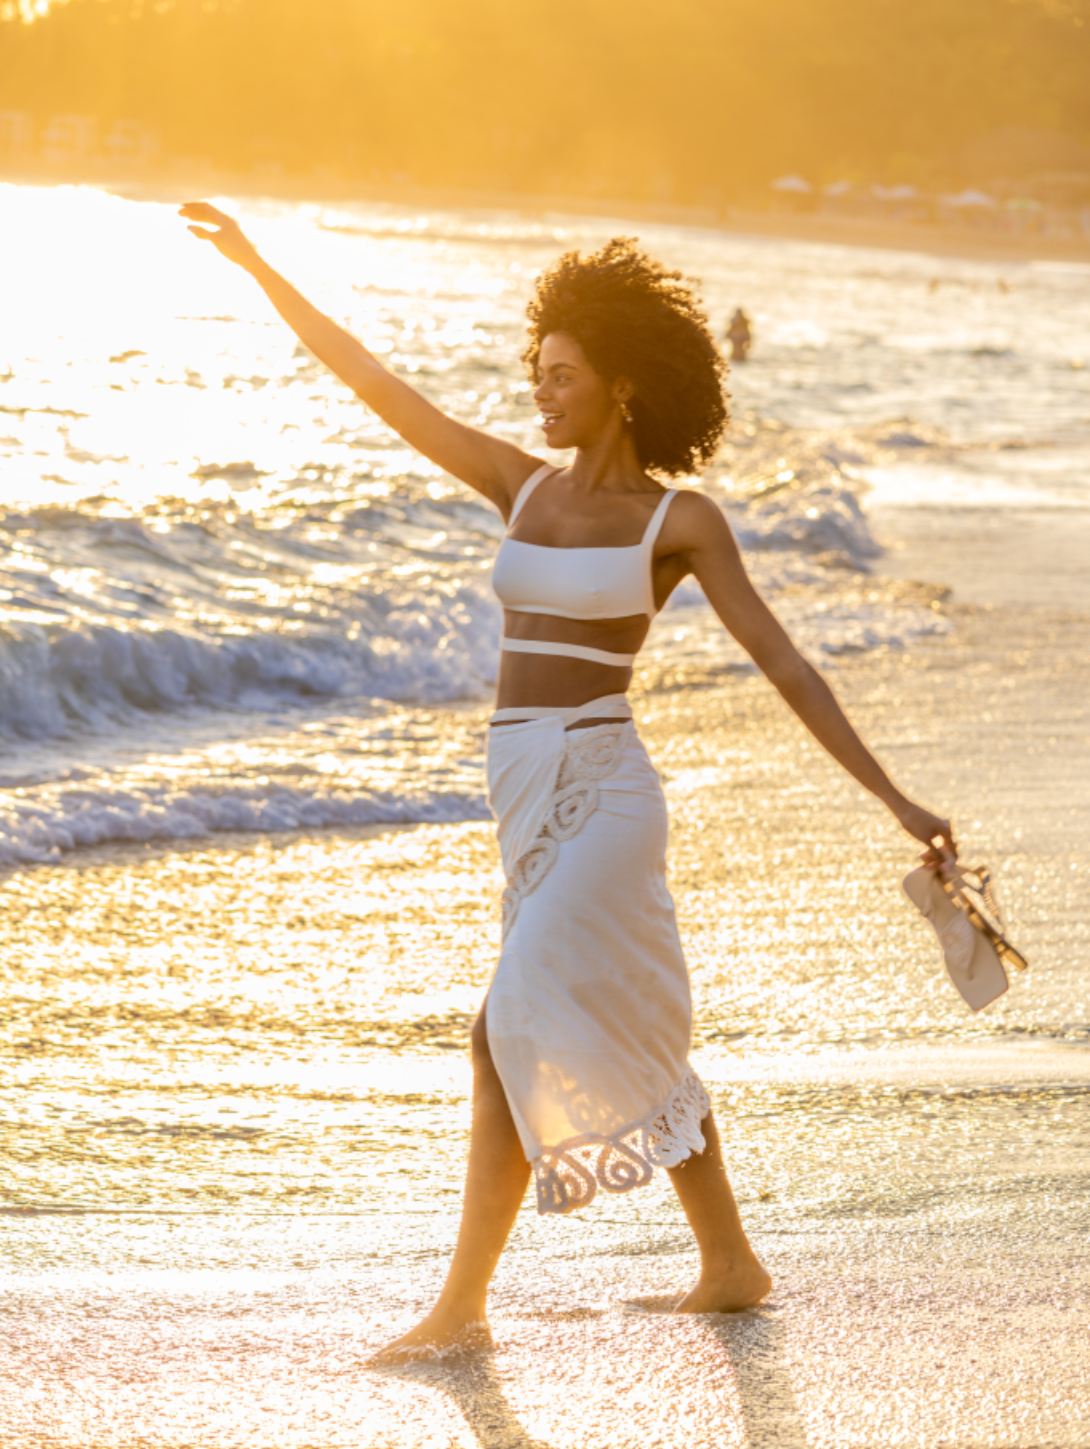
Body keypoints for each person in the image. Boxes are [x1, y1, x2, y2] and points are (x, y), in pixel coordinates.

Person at [180, 207, 955, 1360]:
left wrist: (896, 801)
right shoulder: (521, 487)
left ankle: (459, 1313)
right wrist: (260, 269)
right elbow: (377, 387)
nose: (539, 393)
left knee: (502, 1025)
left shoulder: (676, 522)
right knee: (618, 1022)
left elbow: (785, 664)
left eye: (560, 375)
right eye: (535, 373)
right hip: (520, 792)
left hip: (604, 786)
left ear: (621, 386)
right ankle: (731, 1264)